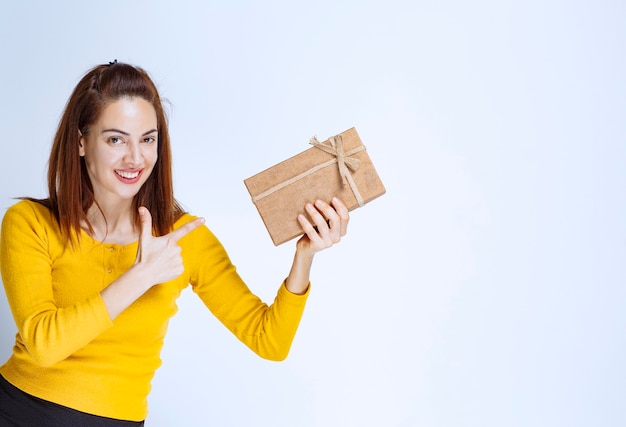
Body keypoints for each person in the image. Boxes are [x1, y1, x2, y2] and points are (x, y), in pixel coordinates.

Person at [0, 61, 349, 425]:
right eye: (116, 139)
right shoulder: (29, 223)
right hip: (17, 409)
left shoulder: (184, 237)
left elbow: (269, 341)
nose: (135, 158)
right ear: (81, 142)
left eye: (147, 139)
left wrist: (304, 257)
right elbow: (44, 345)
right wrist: (140, 276)